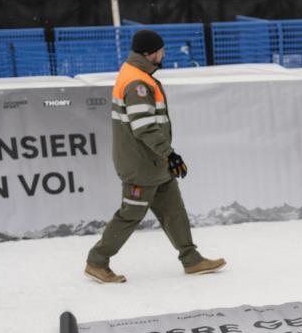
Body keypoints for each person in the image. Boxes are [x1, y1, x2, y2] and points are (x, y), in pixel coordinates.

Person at [85, 29, 224, 283]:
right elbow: (144, 127)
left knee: (174, 210)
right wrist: (170, 155)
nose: (164, 53)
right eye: (161, 50)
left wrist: (165, 158)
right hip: (141, 165)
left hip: (154, 163)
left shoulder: (138, 74)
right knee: (131, 214)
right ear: (149, 54)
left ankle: (191, 259)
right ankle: (97, 261)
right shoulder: (137, 83)